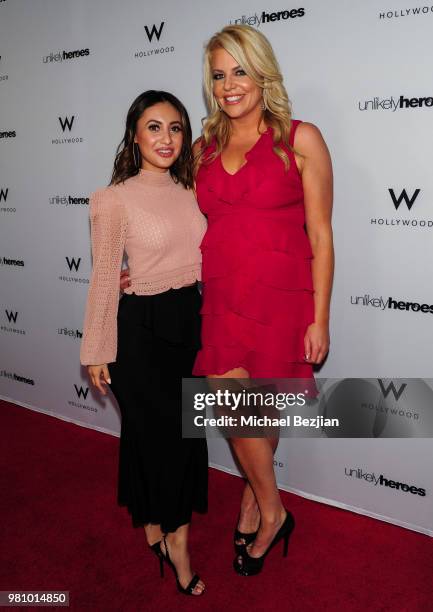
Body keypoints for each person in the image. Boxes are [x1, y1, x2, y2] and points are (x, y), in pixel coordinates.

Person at [192, 25, 334, 576]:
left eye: (239, 71)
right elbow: (187, 226)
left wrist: (320, 317)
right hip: (223, 293)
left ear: (262, 72)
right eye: (219, 74)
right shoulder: (203, 148)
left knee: (263, 405)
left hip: (282, 294)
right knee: (231, 402)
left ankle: (253, 498)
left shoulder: (300, 139)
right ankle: (274, 510)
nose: (229, 85)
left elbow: (321, 234)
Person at [80, 90, 208, 596]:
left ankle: (154, 523)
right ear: (134, 134)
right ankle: (178, 543)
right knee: (161, 439)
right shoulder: (113, 198)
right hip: (139, 335)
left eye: (176, 127)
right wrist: (96, 351)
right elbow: (104, 278)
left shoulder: (193, 191)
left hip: (189, 322)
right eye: (154, 127)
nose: (166, 138)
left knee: (179, 435)